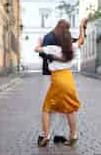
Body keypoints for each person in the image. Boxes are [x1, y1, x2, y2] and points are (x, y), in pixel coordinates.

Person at [34, 17, 88, 147]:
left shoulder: (53, 48)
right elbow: (81, 40)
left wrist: (39, 42)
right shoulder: (73, 47)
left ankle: (46, 135)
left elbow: (37, 49)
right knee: (70, 109)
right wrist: (81, 26)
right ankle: (73, 135)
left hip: (57, 79)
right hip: (69, 79)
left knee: (46, 108)